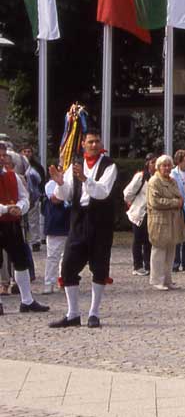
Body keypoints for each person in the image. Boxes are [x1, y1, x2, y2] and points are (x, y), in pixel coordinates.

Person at [48, 132, 116, 328]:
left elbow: (103, 192)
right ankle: (73, 313)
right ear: (83, 144)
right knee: (68, 264)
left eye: (97, 141)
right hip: (79, 219)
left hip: (100, 220)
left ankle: (94, 313)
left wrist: (86, 179)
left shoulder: (109, 165)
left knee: (99, 266)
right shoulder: (75, 164)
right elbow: (66, 194)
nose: (94, 145)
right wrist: (60, 182)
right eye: (90, 142)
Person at [0, 143, 48, 316]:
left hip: (11, 224)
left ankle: (26, 300)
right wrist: (6, 208)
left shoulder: (13, 177)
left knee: (20, 261)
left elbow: (24, 197)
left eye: (3, 155)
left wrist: (20, 207)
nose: (2, 158)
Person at [147, 155, 185, 291]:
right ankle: (157, 280)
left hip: (173, 220)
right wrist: (175, 202)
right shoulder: (154, 181)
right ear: (158, 167)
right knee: (159, 250)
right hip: (159, 221)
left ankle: (167, 279)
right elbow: (155, 202)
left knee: (171, 251)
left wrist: (178, 201)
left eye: (169, 165)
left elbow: (180, 196)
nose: (167, 168)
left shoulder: (173, 181)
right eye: (164, 165)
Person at [123, 154, 155, 276]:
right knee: (138, 239)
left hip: (151, 213)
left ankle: (148, 264)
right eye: (152, 162)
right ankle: (137, 265)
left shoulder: (157, 177)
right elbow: (127, 193)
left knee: (149, 240)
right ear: (147, 163)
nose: (154, 165)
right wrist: (132, 203)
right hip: (139, 212)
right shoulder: (141, 177)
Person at [41, 165, 69, 294]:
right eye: (60, 168)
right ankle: (49, 282)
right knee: (53, 255)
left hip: (70, 222)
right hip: (56, 223)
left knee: (68, 255)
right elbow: (56, 199)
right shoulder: (51, 184)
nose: (62, 171)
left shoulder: (74, 183)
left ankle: (64, 278)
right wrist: (61, 185)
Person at [170, 150, 185, 273]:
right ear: (179, 161)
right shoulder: (173, 173)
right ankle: (175, 262)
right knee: (177, 235)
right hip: (178, 207)